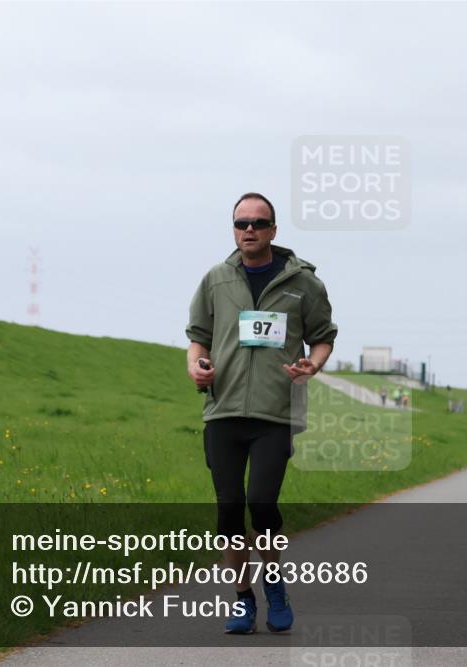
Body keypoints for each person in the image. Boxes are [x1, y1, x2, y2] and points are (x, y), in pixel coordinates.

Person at [186, 192, 337, 634]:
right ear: (234, 229)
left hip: (275, 413)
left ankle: (275, 588)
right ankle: (243, 601)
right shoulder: (216, 279)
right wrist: (196, 366)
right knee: (230, 510)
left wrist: (315, 363)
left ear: (274, 229)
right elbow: (198, 337)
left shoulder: (302, 283)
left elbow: (324, 335)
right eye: (240, 223)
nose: (248, 230)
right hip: (224, 411)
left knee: (262, 503)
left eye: (258, 223)